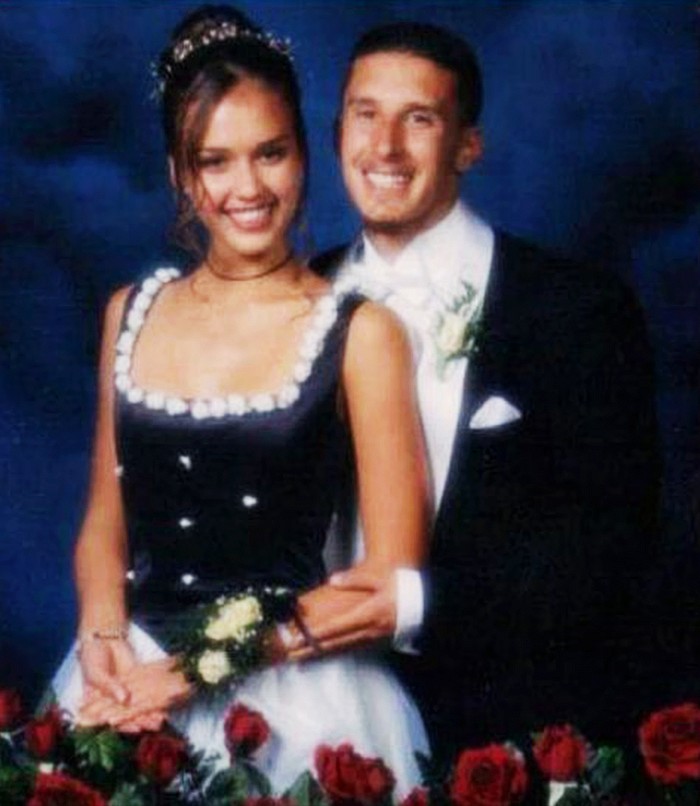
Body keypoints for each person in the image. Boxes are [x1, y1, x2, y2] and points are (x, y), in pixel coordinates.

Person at [51, 6, 429, 796]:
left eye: (270, 153)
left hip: (299, 693)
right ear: (179, 173)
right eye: (214, 162)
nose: (247, 188)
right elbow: (105, 522)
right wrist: (100, 637)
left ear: (305, 155)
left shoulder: (362, 332)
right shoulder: (129, 311)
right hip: (130, 678)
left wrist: (195, 672)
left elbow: (387, 583)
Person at [297, 21, 662, 759]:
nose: (385, 147)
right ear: (337, 136)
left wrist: (418, 605)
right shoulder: (292, 298)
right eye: (366, 115)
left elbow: (617, 543)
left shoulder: (574, 308)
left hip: (496, 726)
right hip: (309, 712)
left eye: (419, 119)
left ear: (469, 146)